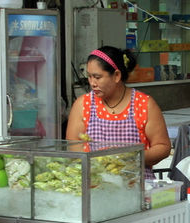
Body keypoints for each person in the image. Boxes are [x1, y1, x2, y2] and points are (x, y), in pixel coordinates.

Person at [66, 45, 171, 177]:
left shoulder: (144, 104)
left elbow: (162, 147)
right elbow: (74, 146)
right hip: (95, 182)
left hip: (136, 184)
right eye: (89, 76)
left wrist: (130, 157)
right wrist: (98, 164)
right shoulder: (83, 105)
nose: (92, 83)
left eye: (97, 77)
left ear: (116, 75)